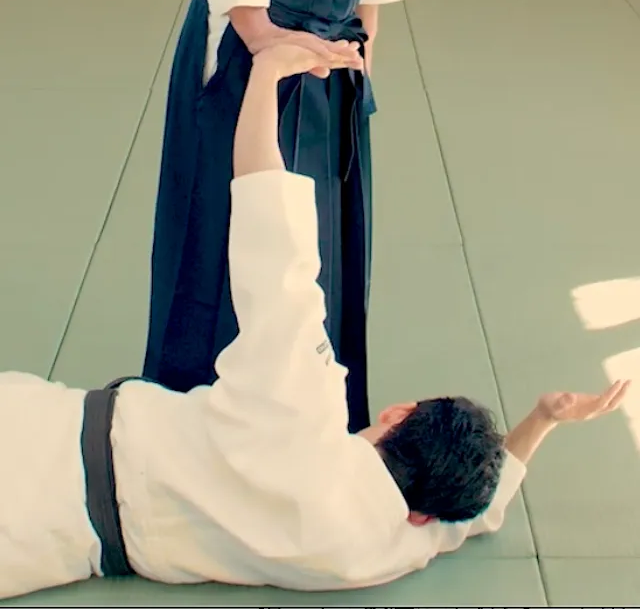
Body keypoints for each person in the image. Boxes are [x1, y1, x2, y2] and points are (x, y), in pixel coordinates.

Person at [0, 44, 630, 601]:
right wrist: (543, 421)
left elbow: (270, 225)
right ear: (422, 516)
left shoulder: (300, 400)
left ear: (397, 414)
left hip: (38, 441)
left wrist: (267, 73)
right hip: (51, 546)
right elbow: (473, 517)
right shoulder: (373, 552)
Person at [142, 0, 432, 433]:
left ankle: (314, 424)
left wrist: (366, 29)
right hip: (256, 15)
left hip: (341, 22)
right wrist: (256, 31)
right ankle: (192, 424)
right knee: (225, 220)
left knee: (322, 232)